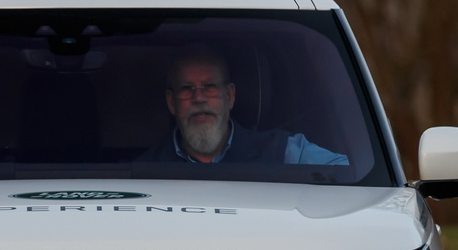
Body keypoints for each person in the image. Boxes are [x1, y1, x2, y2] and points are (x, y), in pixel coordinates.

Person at [138, 49, 348, 166]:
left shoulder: (284, 153)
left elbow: (351, 177)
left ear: (229, 96)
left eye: (209, 87)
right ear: (171, 102)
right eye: (187, 88)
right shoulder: (144, 170)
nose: (199, 98)